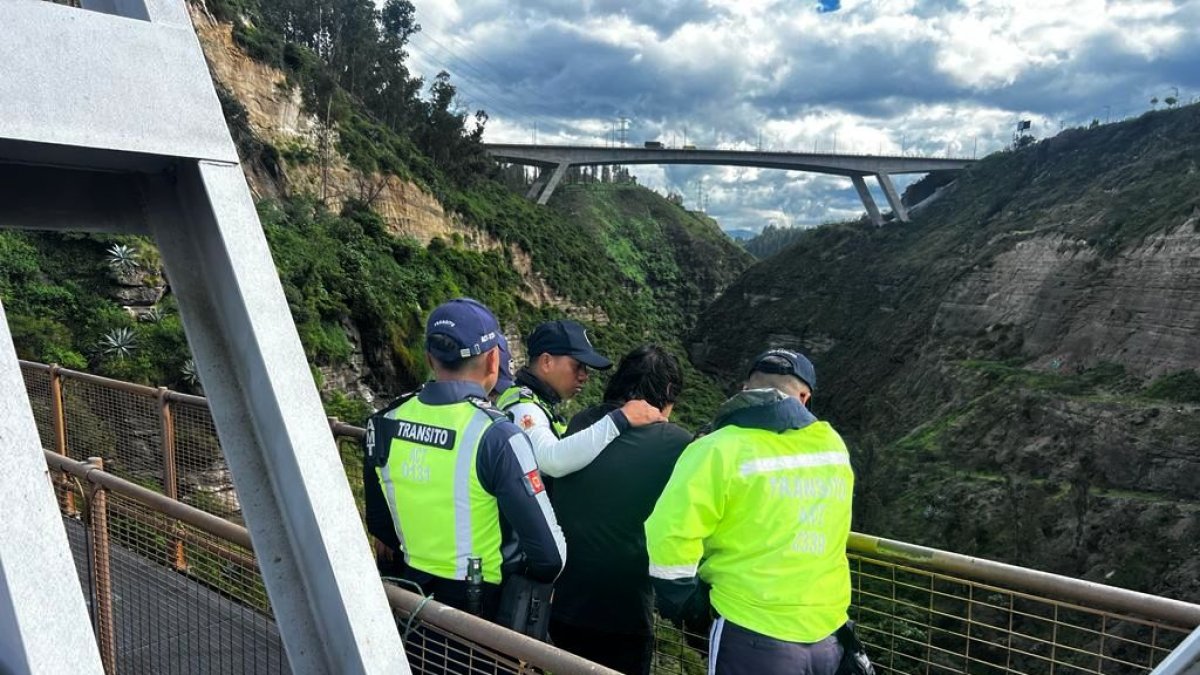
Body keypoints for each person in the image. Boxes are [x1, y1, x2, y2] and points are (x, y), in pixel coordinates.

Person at [645, 349, 854, 675]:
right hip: (831, 633)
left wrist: (687, 605)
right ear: (803, 397)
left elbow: (668, 534)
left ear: (745, 390)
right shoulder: (833, 446)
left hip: (750, 631)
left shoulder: (716, 448)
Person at [363, 298, 566, 624]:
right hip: (479, 615)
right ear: (493, 361)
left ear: (430, 358)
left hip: (409, 600)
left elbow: (380, 524)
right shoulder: (499, 436)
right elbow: (549, 557)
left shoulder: (384, 421)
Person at [548, 345, 692, 674]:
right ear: (668, 394)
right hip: (625, 612)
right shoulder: (677, 443)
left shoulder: (584, 422)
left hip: (566, 602)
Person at [496, 319, 663, 477]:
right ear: (546, 362)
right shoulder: (522, 407)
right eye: (577, 366)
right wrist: (620, 419)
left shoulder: (539, 402)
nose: (584, 376)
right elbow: (551, 461)